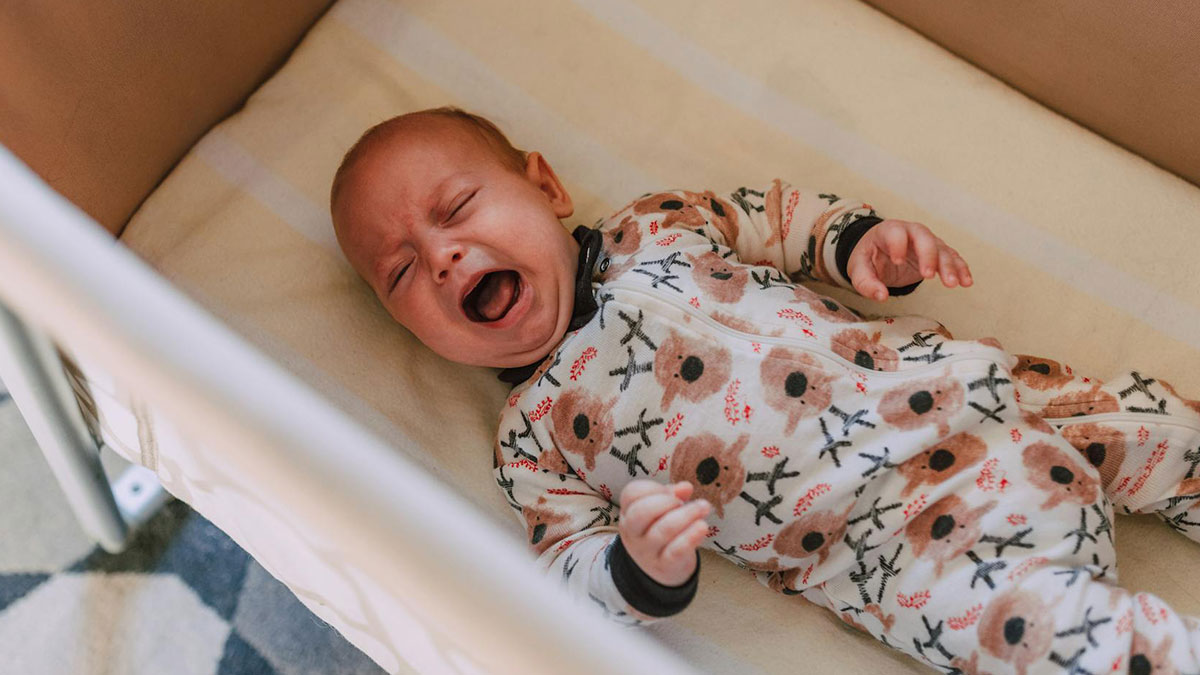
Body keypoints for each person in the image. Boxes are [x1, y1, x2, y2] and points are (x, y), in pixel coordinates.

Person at [330, 106, 1200, 673]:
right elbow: (567, 568)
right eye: (402, 271)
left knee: (1164, 430)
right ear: (407, 326)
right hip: (899, 551)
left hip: (980, 394)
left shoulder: (658, 226)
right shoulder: (533, 439)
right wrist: (636, 567)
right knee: (1044, 641)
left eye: (456, 210)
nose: (442, 256)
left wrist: (858, 242)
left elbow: (777, 221)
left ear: (547, 187)